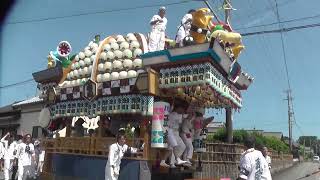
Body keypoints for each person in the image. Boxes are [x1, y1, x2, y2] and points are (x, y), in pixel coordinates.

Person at [160, 101, 188, 168]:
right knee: (173, 146)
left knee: (181, 146)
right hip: (170, 131)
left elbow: (184, 116)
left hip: (176, 132)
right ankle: (173, 162)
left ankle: (165, 161)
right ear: (179, 108)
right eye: (182, 109)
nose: (183, 111)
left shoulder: (178, 114)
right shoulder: (172, 114)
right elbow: (183, 116)